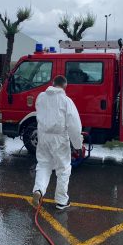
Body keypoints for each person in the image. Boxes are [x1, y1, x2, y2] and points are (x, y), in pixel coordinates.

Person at [32, 75, 82, 210]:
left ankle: (39, 190)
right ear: (65, 86)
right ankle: (61, 201)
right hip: (59, 139)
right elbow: (74, 126)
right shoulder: (66, 101)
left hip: (43, 137)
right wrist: (77, 145)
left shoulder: (41, 97)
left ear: (52, 84)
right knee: (63, 169)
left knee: (43, 165)